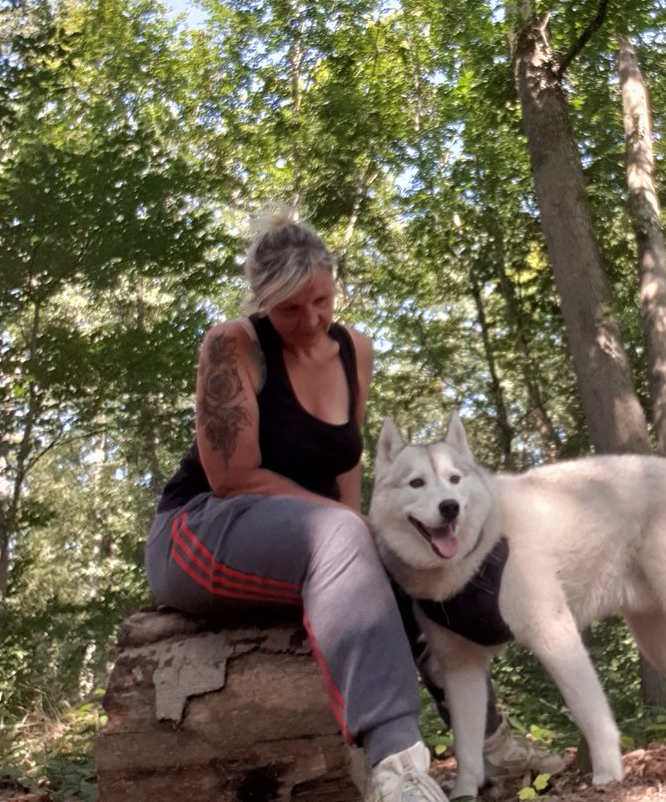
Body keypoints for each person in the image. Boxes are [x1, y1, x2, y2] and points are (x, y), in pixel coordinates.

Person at [144, 213, 556, 802]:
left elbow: (347, 466)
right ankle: (399, 769)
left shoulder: (354, 350)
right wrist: (349, 530)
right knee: (347, 536)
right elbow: (232, 477)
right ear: (262, 303)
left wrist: (370, 541)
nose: (310, 320)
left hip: (312, 534)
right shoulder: (231, 344)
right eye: (289, 309)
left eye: (321, 301)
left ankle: (491, 746)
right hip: (201, 530)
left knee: (398, 553)